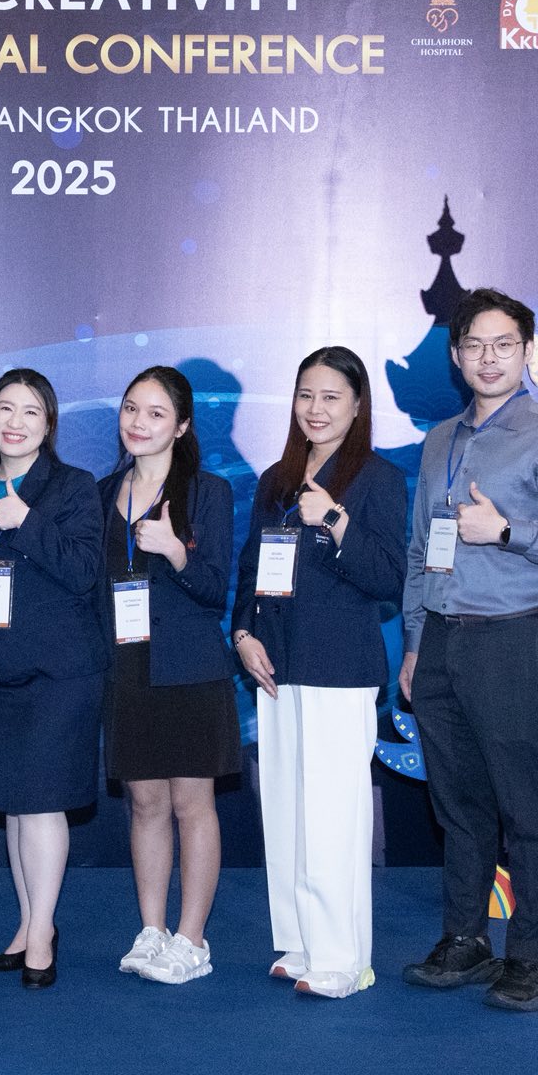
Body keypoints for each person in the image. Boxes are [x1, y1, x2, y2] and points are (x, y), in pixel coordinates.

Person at [397, 287, 538, 1012]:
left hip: (516, 637)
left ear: (527, 352)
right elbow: (422, 549)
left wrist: (508, 531)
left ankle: (530, 957)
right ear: (457, 357)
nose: (488, 359)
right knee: (458, 806)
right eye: (475, 346)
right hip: (441, 640)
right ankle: (465, 939)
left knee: (524, 808)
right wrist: (415, 642)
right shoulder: (439, 440)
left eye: (504, 345)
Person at [232, 346, 407, 1000]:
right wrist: (242, 634)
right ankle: (301, 942)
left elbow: (388, 578)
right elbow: (251, 568)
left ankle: (342, 958)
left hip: (339, 667)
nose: (316, 408)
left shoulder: (378, 480)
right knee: (287, 812)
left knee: (332, 816)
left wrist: (333, 519)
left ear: (357, 406)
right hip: (276, 664)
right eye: (306, 394)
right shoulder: (275, 480)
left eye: (332, 397)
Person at [0, 368, 107, 990]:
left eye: (30, 412)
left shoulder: (73, 487)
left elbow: (84, 570)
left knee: (42, 803)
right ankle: (26, 926)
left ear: (48, 426)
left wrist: (28, 521)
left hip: (58, 673)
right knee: (14, 807)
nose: (14, 422)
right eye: (4, 408)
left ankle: (43, 932)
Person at [99, 366, 238, 987]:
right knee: (145, 802)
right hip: (126, 667)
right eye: (131, 408)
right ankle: (152, 930)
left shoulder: (208, 492)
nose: (139, 422)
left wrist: (176, 550)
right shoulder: (103, 492)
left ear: (181, 426)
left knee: (191, 804)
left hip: (189, 667)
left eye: (156, 413)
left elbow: (213, 590)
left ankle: (192, 938)